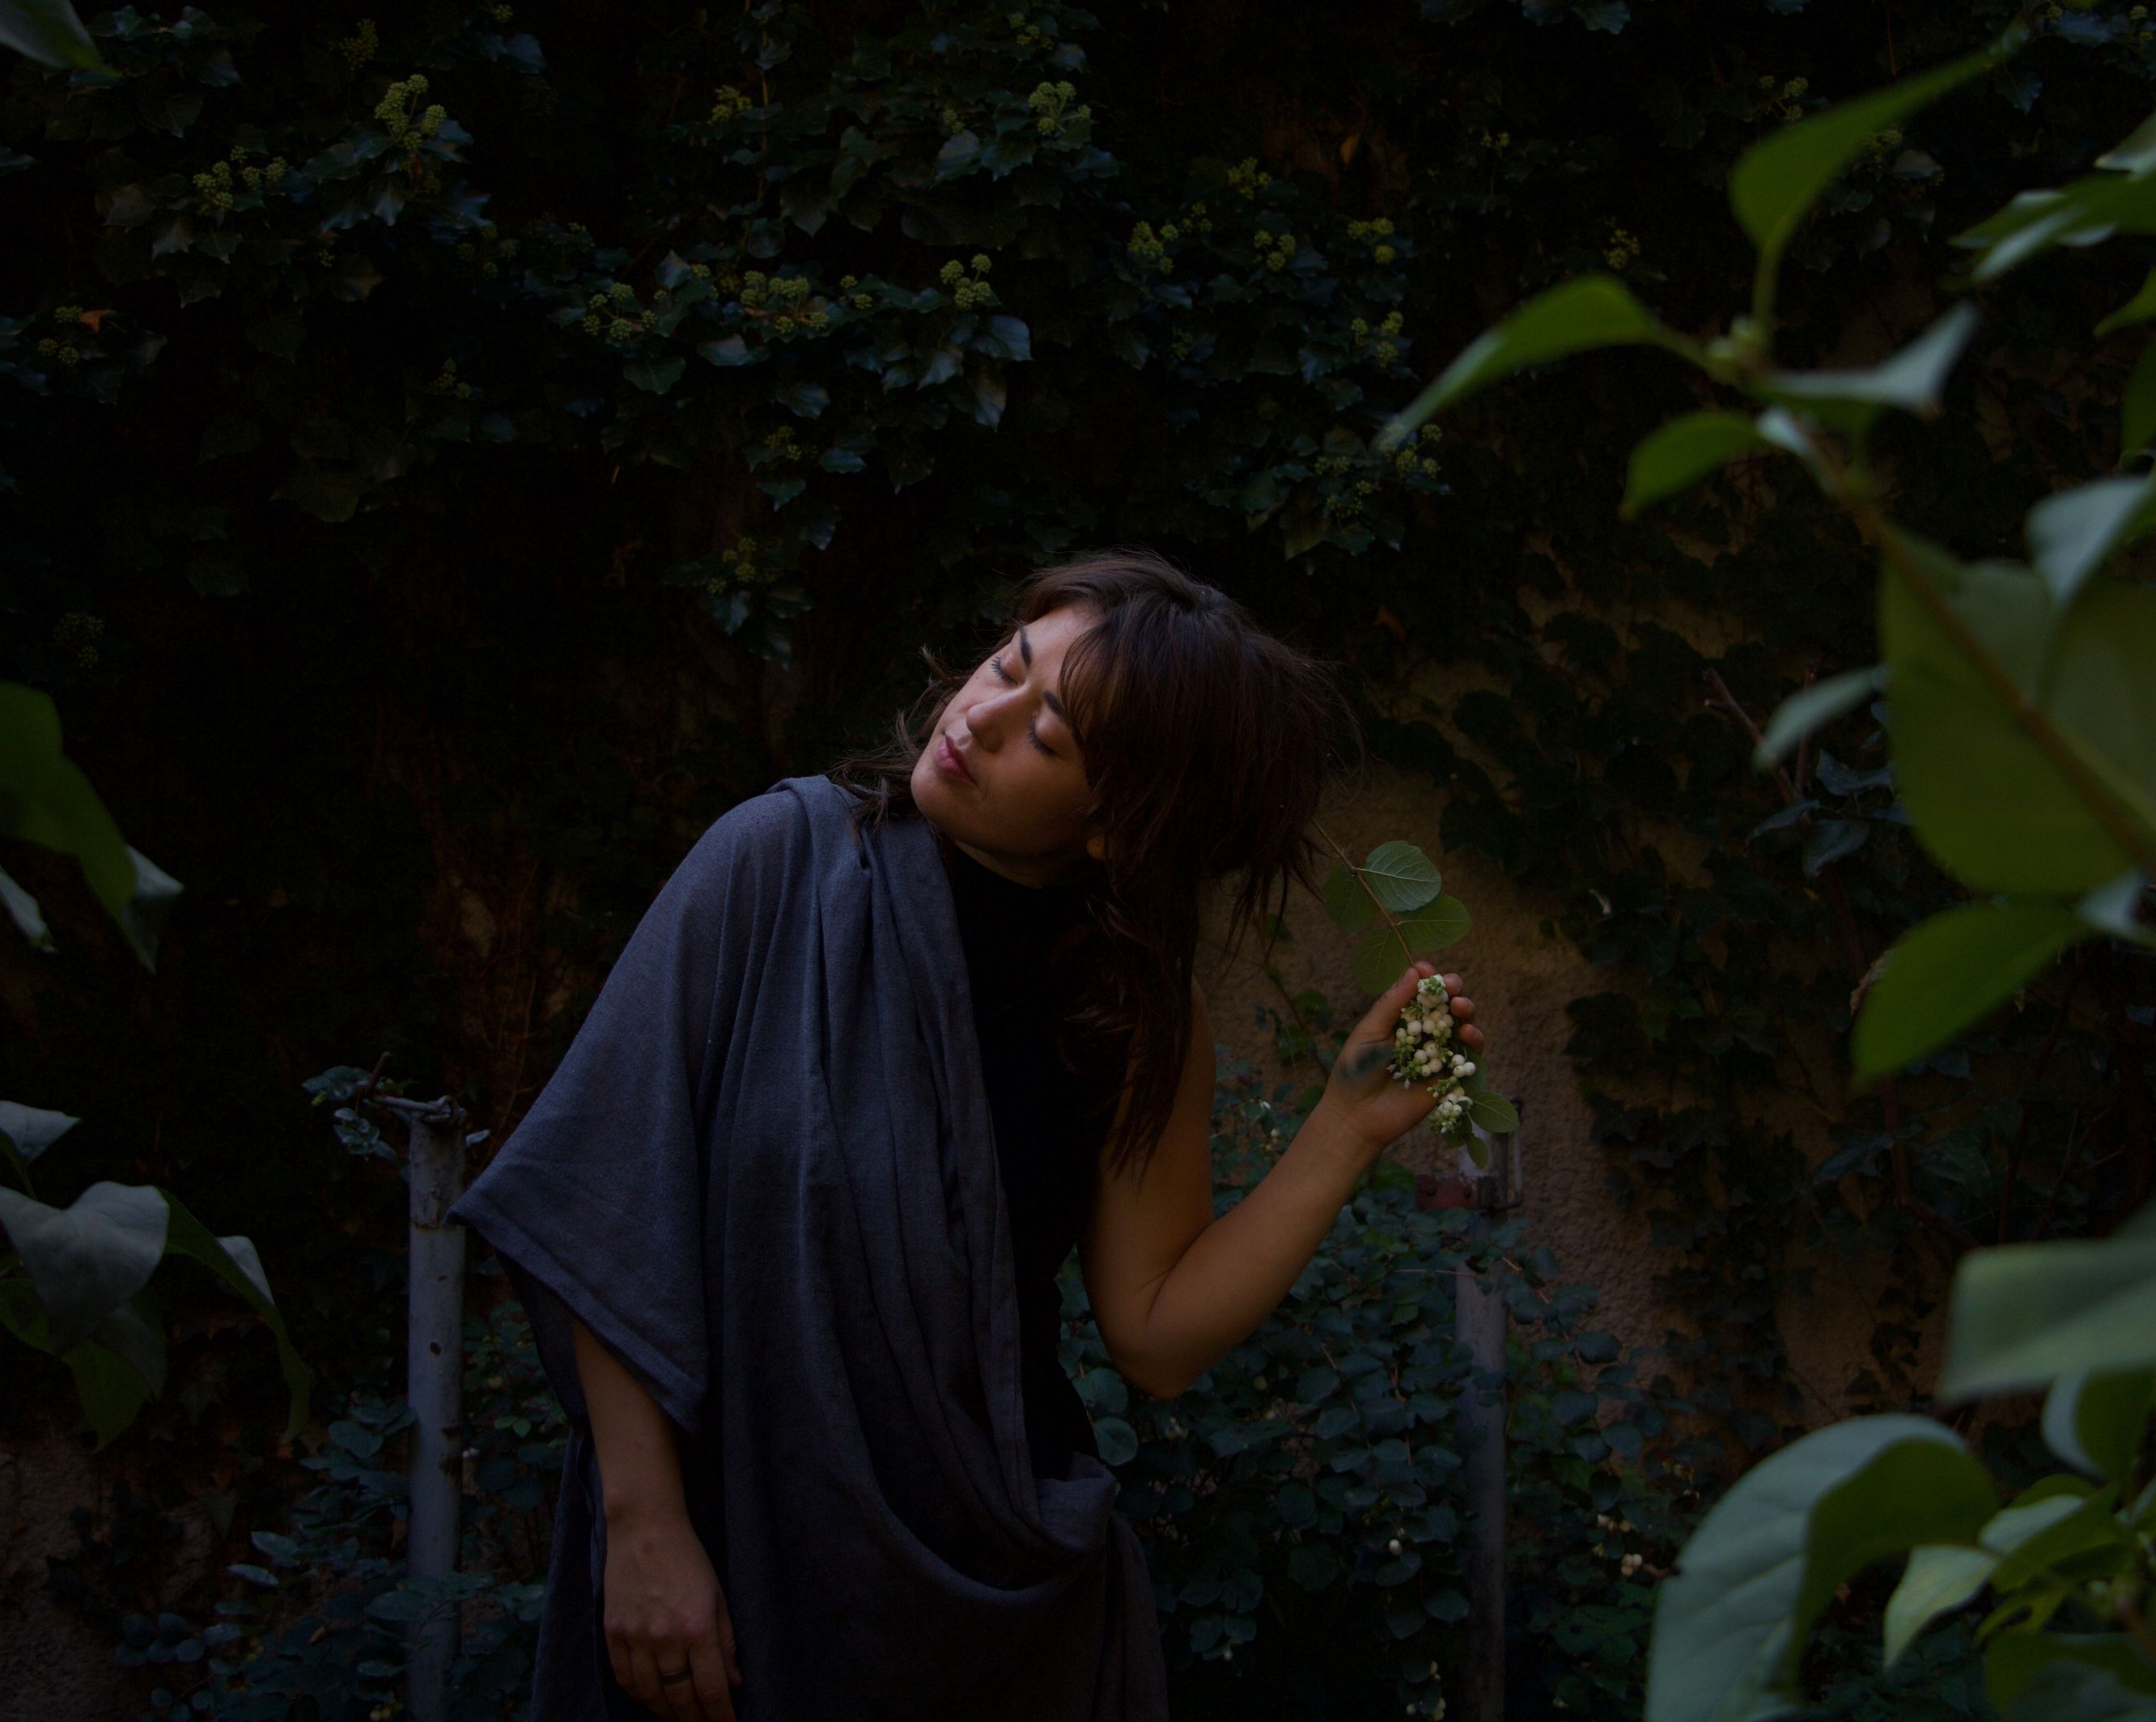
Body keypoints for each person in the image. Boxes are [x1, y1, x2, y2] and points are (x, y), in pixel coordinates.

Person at [452, 548, 1485, 1721]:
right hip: (723, 1579)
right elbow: (604, 1202)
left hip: (986, 1618)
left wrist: (1343, 1131)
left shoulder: (1135, 1014)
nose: (979, 718)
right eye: (1008, 665)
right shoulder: (772, 867)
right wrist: (643, 1527)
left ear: (1117, 825)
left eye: (1046, 736)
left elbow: (1155, 1335)